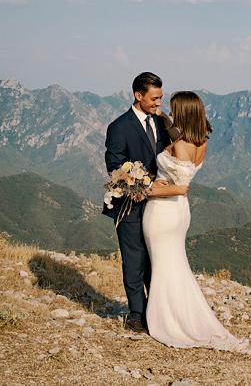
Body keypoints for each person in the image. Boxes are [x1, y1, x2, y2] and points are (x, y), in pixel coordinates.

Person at [143, 91, 248, 351]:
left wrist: (143, 190)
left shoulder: (179, 146)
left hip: (163, 211)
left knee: (163, 267)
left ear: (184, 113)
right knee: (175, 265)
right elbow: (176, 134)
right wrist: (163, 117)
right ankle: (185, 316)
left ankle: (168, 321)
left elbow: (180, 188)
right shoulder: (200, 143)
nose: (171, 113)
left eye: (173, 109)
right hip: (180, 214)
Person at [103, 72, 179, 334]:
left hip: (158, 207)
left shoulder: (159, 122)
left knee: (155, 259)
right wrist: (144, 186)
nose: (159, 102)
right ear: (138, 95)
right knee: (134, 259)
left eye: (160, 97)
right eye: (154, 98)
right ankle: (137, 314)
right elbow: (115, 168)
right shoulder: (119, 127)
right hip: (130, 206)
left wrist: (166, 119)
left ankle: (156, 310)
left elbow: (177, 146)